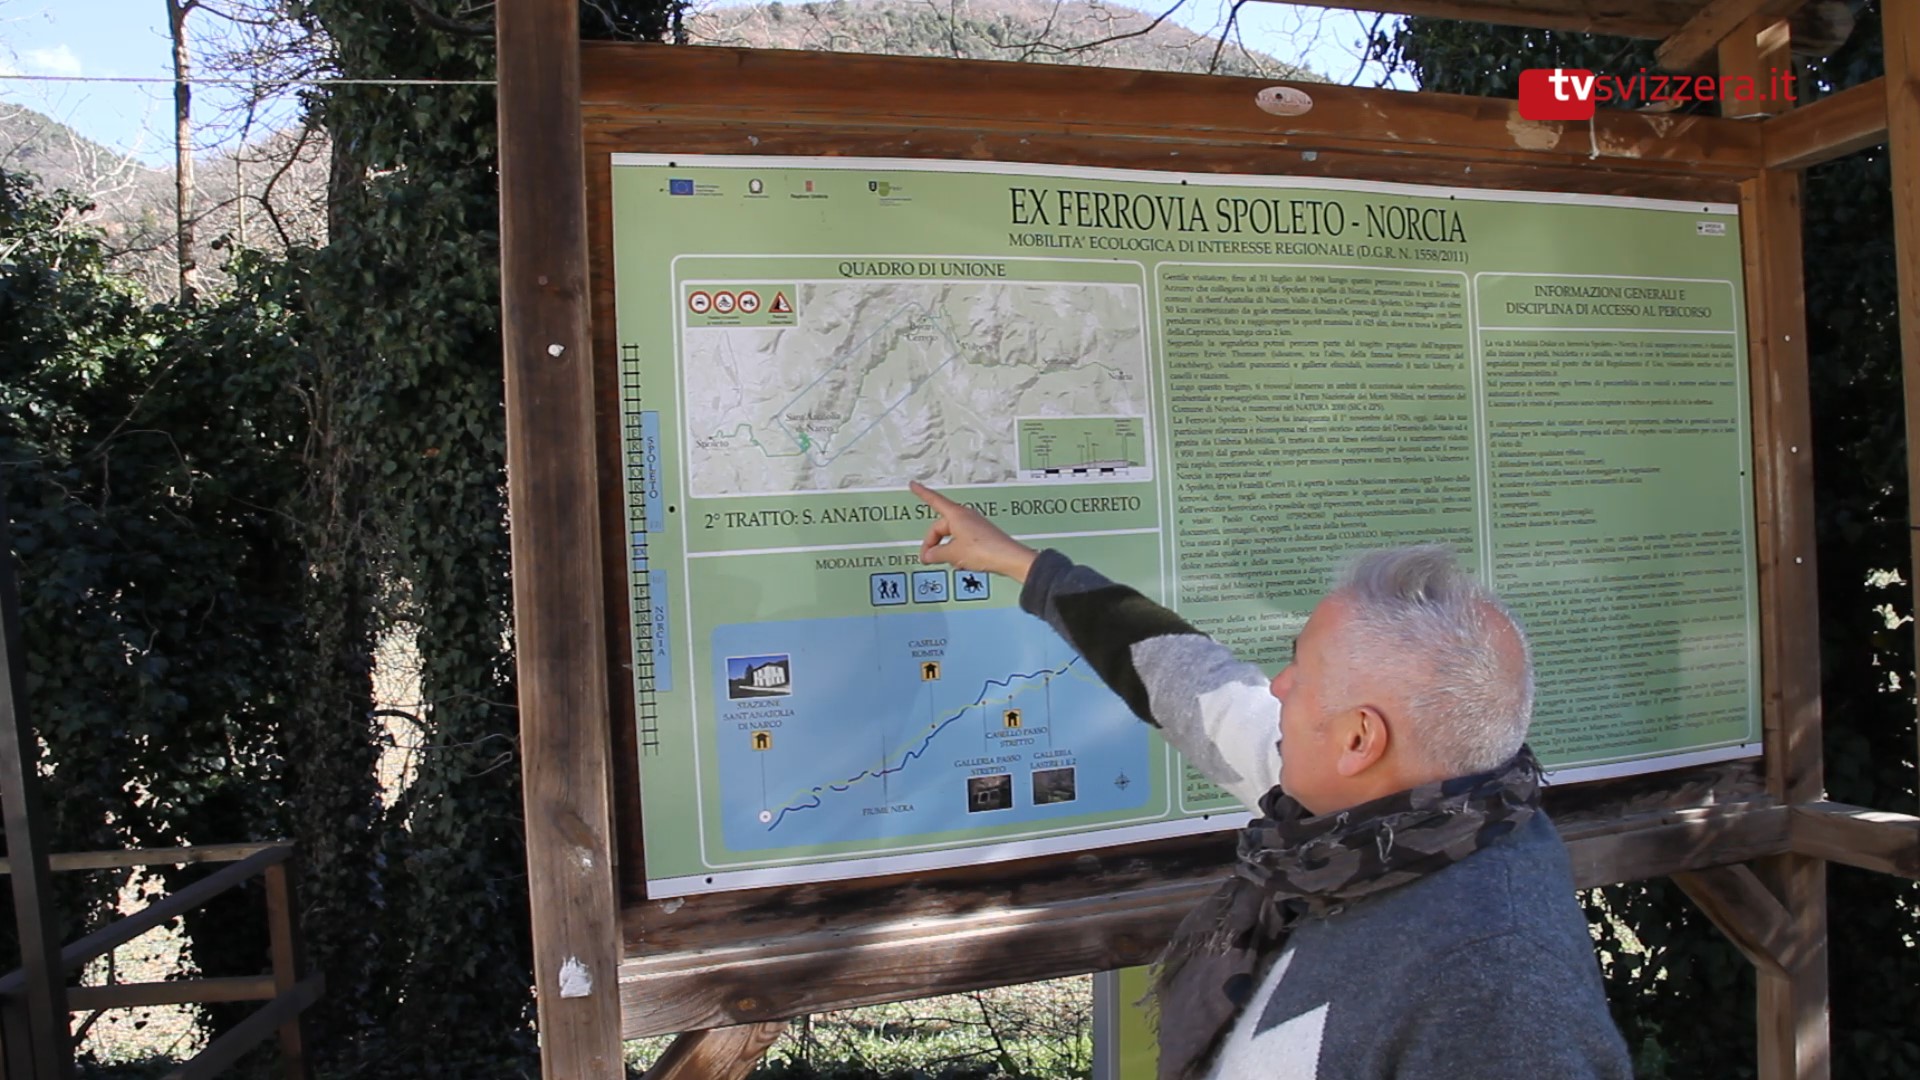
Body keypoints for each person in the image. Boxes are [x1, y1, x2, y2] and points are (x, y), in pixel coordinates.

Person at [908, 481, 1631, 1080]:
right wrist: (1025, 568)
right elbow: (1196, 684)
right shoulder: (1392, 820)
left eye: (1301, 674)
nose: (1276, 687)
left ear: (1358, 740)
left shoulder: (1497, 982)